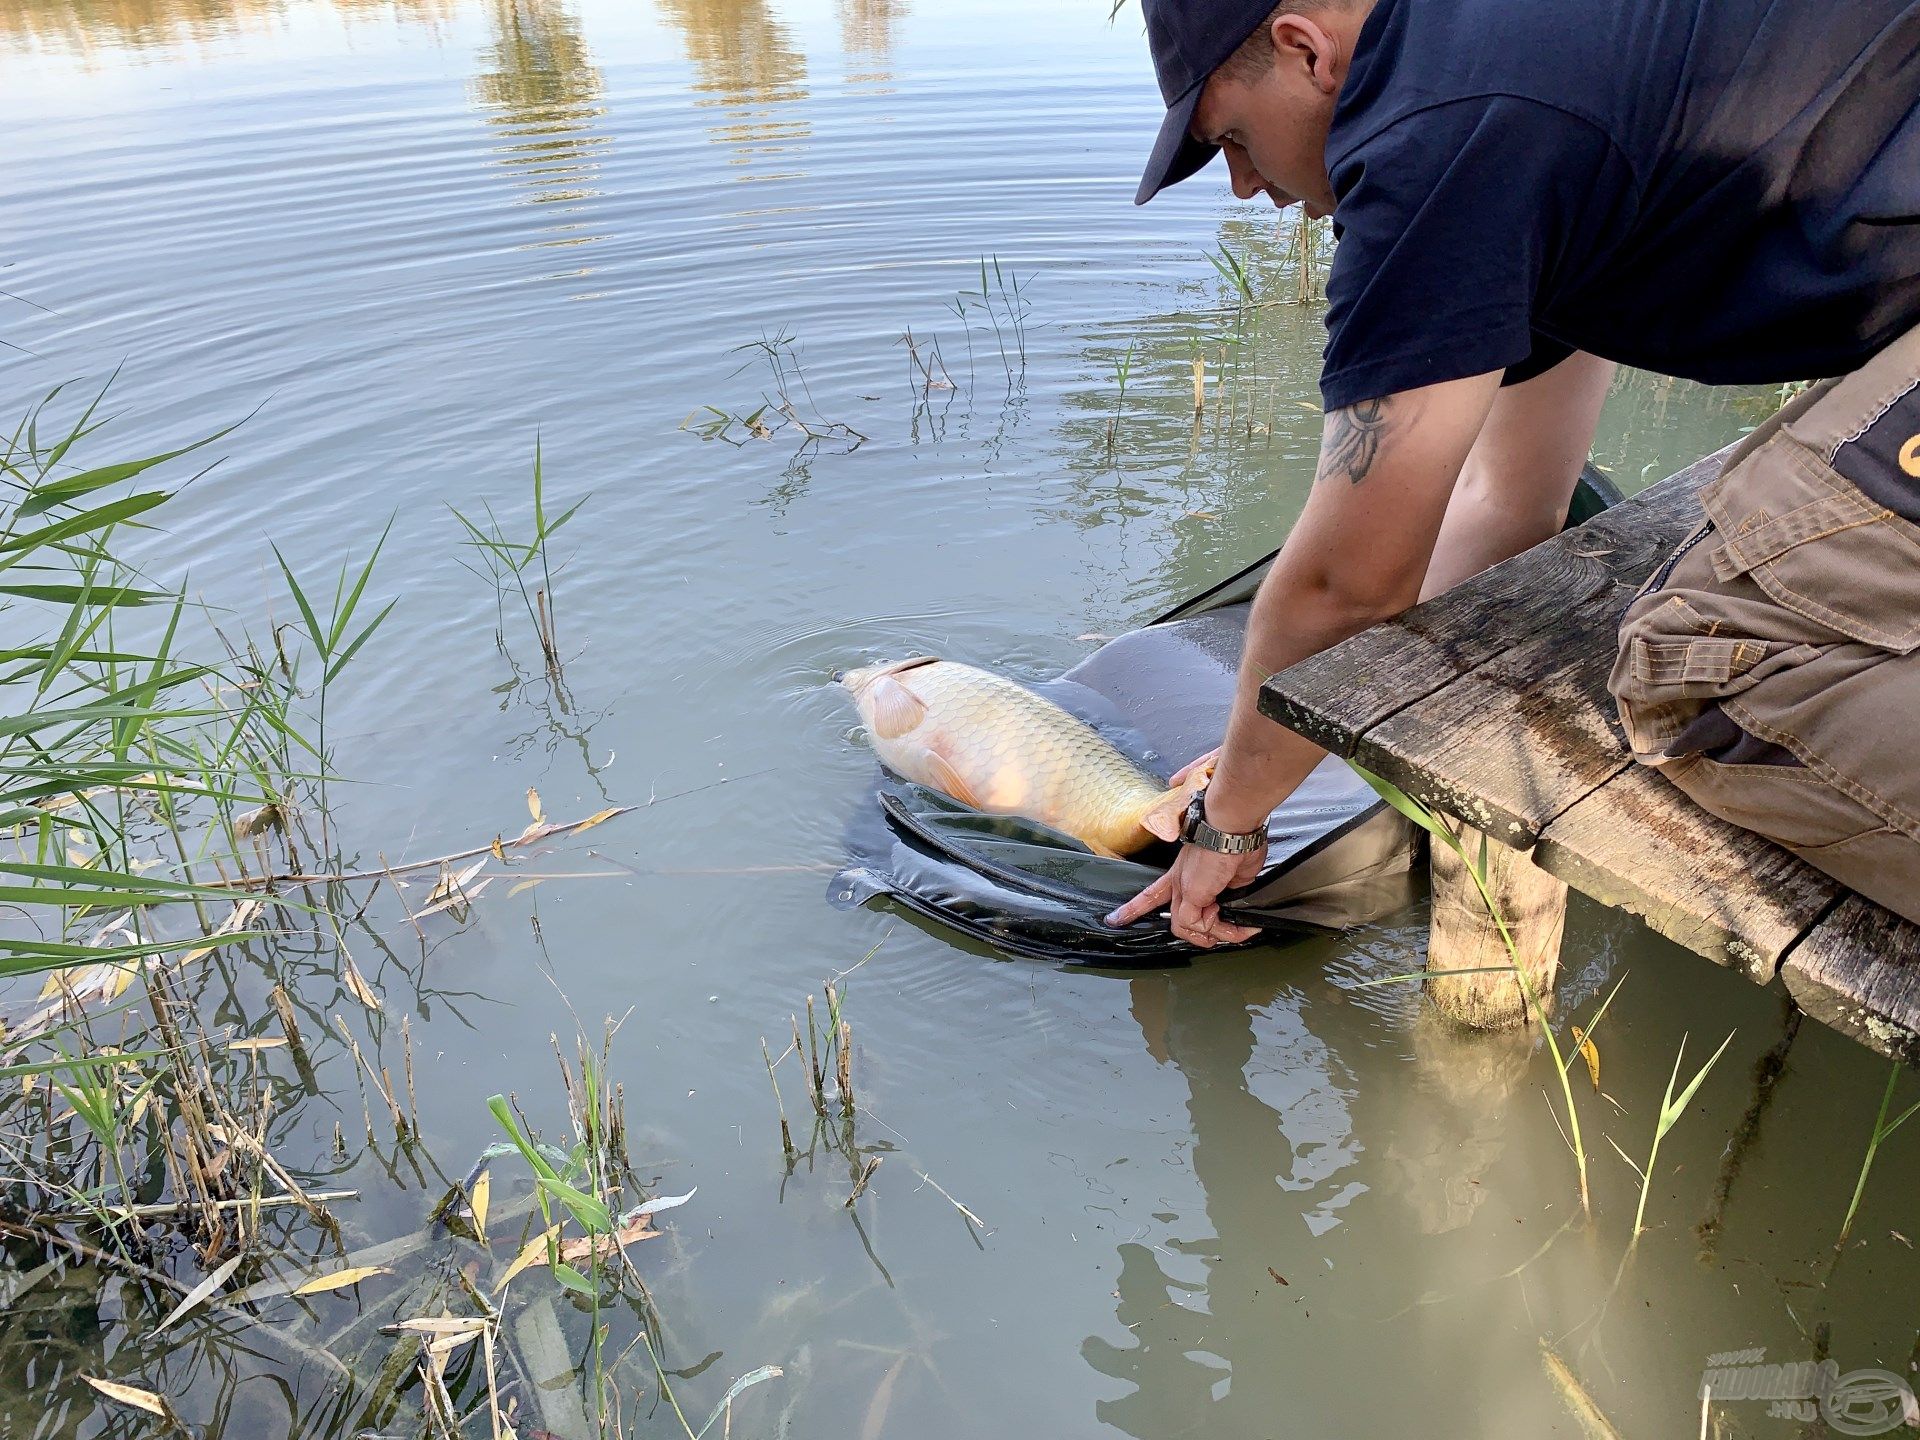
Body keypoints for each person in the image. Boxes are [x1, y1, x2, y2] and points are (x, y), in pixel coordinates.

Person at [1105, 0, 1920, 947]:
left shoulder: (1432, 135)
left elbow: (1344, 584)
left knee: (1700, 666)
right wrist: (1291, 738)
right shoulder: (1508, 61)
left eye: (1234, 140)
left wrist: (1233, 819)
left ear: (1302, 49)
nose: (1246, 187)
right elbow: (1509, 502)